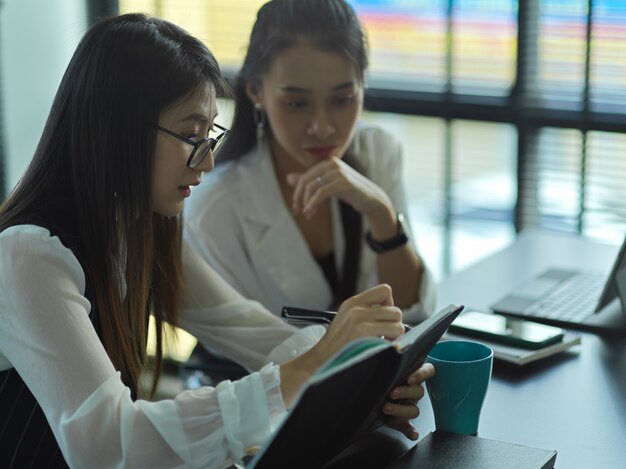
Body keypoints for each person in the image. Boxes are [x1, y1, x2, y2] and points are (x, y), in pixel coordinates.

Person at [0, 13, 434, 468]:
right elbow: (110, 445)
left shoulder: (142, 227)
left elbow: (250, 329)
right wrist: (309, 369)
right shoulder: (28, 255)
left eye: (209, 135)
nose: (206, 163)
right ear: (117, 128)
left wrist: (369, 379)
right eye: (191, 136)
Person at [185, 0, 436, 324]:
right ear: (256, 91)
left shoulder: (378, 152)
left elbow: (410, 314)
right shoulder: (215, 205)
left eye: (342, 99)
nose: (322, 127)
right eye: (296, 103)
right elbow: (263, 351)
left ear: (363, 84)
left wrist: (382, 215)